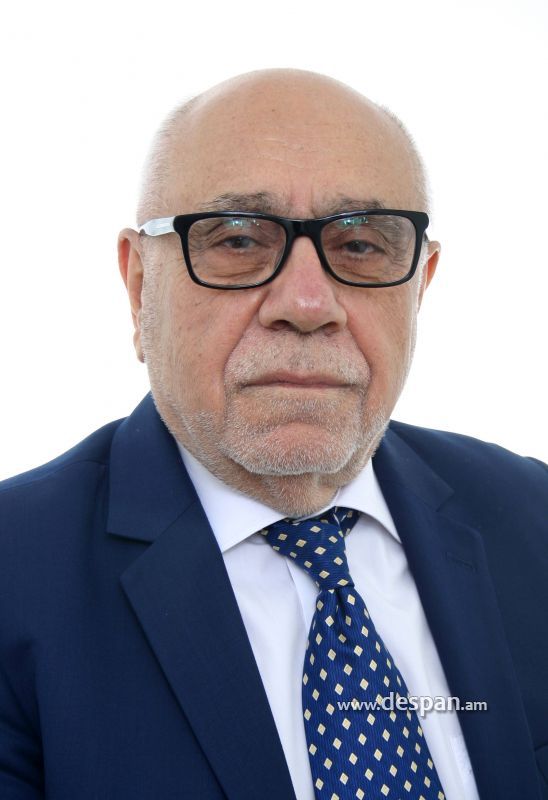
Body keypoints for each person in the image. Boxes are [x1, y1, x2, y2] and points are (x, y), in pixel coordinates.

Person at [0, 69, 546, 800]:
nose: (308, 303)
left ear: (420, 285)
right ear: (139, 289)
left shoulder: (534, 516)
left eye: (361, 246)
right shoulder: (14, 575)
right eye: (236, 239)